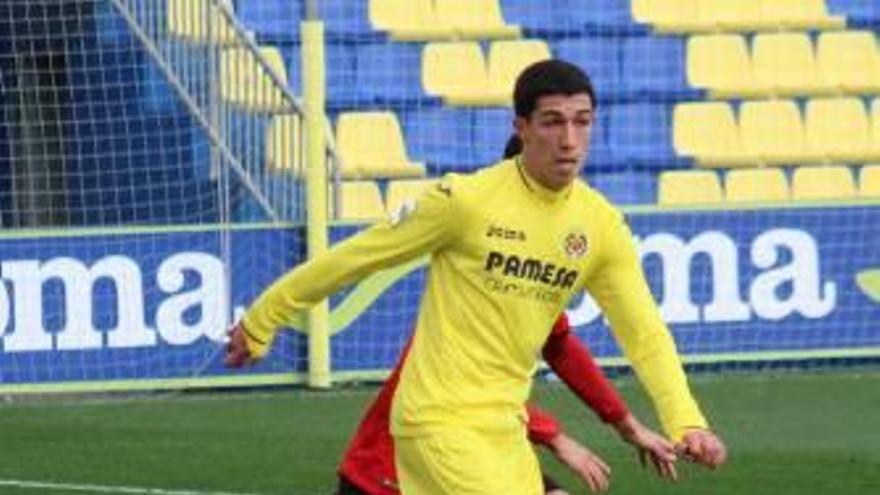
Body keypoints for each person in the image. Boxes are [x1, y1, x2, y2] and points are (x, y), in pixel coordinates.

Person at [226, 59, 726, 494]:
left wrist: (686, 421)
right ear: (522, 126)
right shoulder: (465, 201)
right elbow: (357, 258)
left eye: (582, 122)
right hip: (437, 421)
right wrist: (263, 319)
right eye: (553, 122)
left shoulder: (600, 226)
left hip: (503, 430)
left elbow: (645, 335)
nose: (569, 140)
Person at [336, 314, 677, 495]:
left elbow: (560, 345)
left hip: (486, 453)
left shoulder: (528, 283)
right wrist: (554, 437)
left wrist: (626, 424)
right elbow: (464, 392)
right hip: (394, 468)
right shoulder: (460, 299)